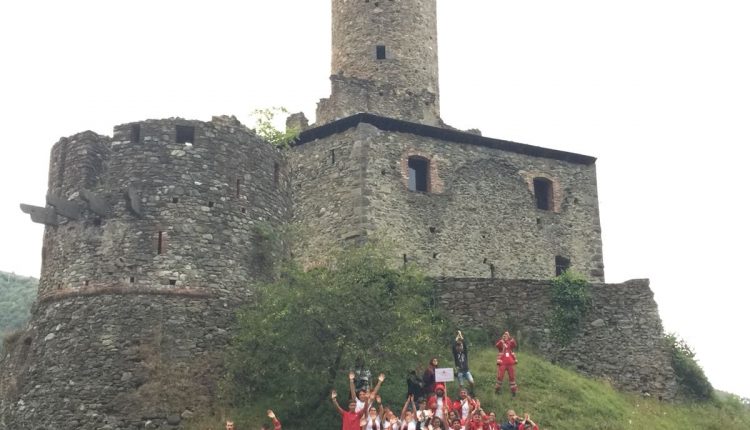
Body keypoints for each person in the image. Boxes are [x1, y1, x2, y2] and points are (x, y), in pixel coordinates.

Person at [494, 331, 518, 396]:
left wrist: (510, 339)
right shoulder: (501, 343)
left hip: (510, 363)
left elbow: (515, 345)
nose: (505, 336)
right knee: (500, 377)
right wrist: (502, 340)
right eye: (504, 335)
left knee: (512, 377)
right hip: (502, 363)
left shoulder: (510, 343)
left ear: (508, 336)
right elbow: (497, 345)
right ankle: (497, 390)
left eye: (506, 335)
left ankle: (514, 392)